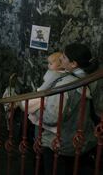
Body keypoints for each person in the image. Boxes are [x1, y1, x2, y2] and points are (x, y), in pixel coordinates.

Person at [33, 43, 98, 175]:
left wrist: (33, 110)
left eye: (63, 57)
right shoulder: (92, 77)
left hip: (61, 144)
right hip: (83, 139)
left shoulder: (66, 84)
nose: (60, 59)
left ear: (73, 63)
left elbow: (51, 118)